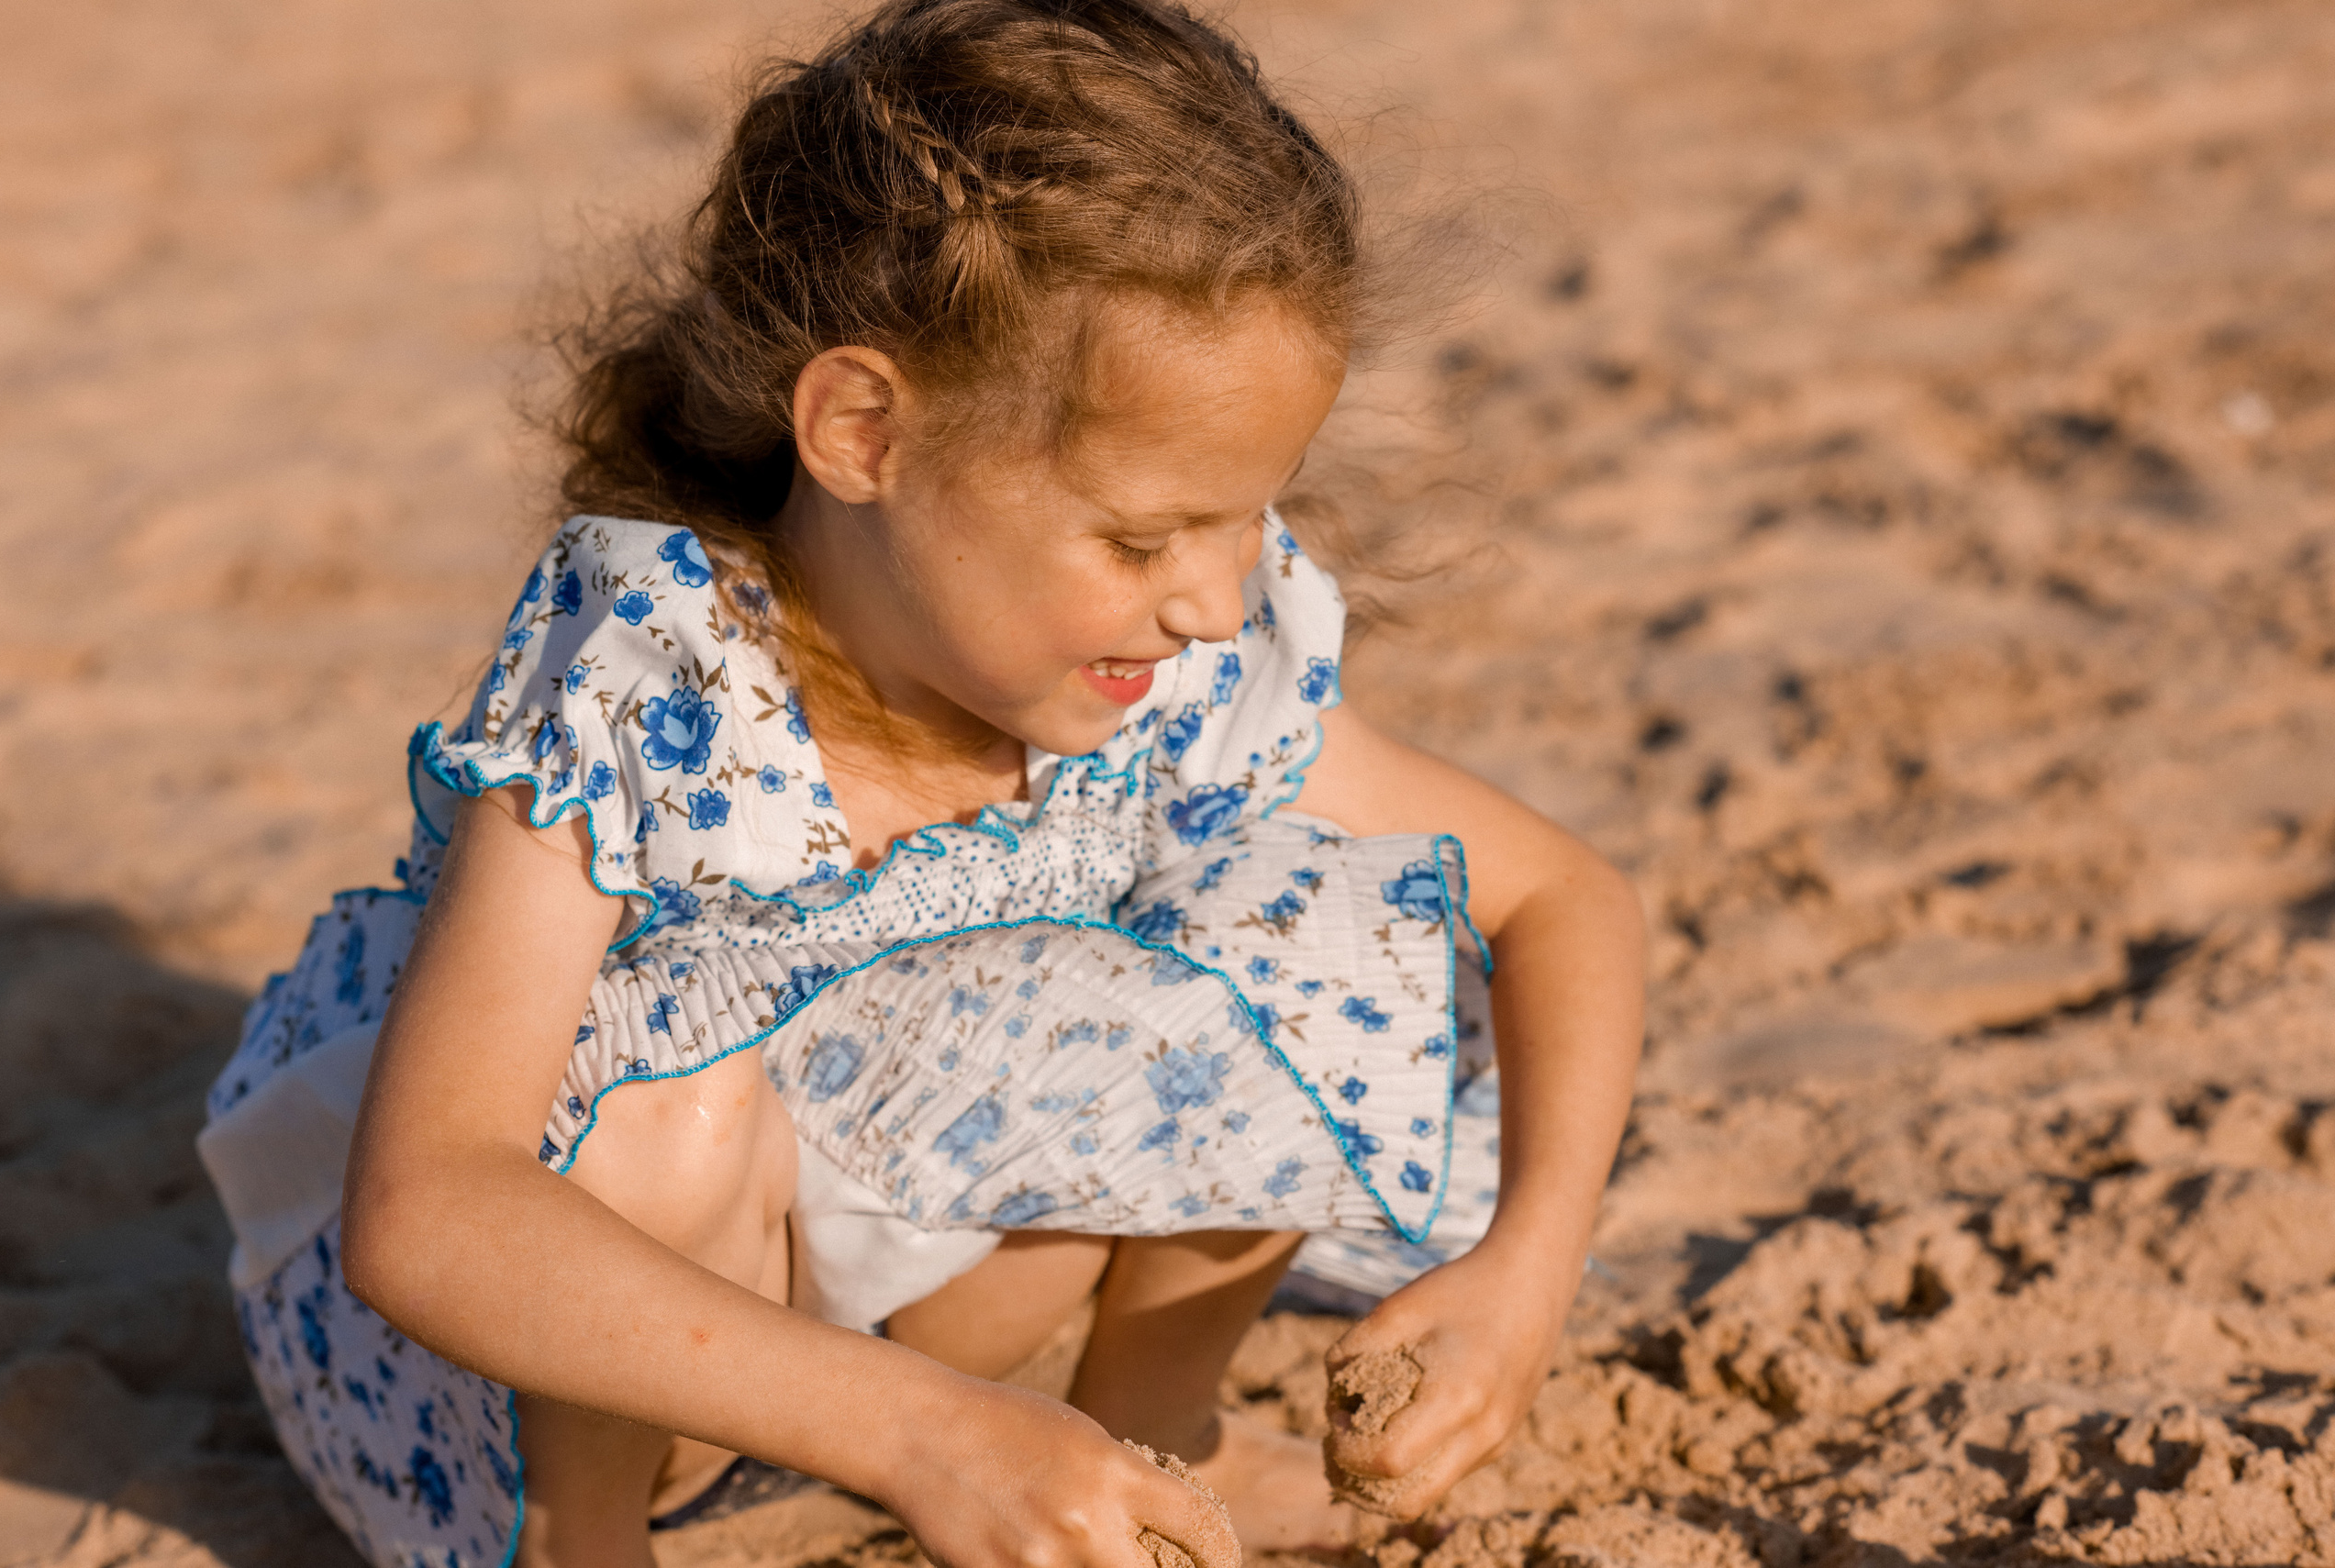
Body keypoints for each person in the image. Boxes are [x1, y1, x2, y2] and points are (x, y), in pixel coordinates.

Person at [192, 2, 1645, 1564]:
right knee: (658, 1115)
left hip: (878, 1338)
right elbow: (429, 1212)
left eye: (1249, 517)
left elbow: (1563, 896)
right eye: (1147, 538)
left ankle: (1152, 1455)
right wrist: (922, 1434)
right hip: (510, 1384)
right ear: (864, 430)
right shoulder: (657, 681)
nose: (1220, 601)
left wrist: (1525, 1267)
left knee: (1313, 928)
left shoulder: (1182, 657)